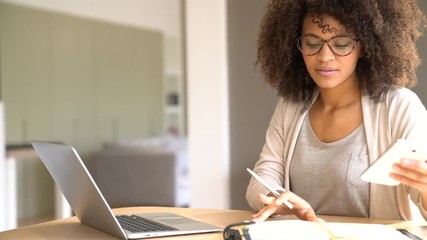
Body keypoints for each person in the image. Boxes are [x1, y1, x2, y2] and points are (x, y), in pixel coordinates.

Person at [246, 0, 427, 222]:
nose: (324, 57)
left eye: (341, 44)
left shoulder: (399, 107)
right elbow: (264, 175)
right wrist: (280, 199)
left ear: (366, 46)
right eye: (312, 43)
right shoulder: (291, 105)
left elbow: (422, 195)